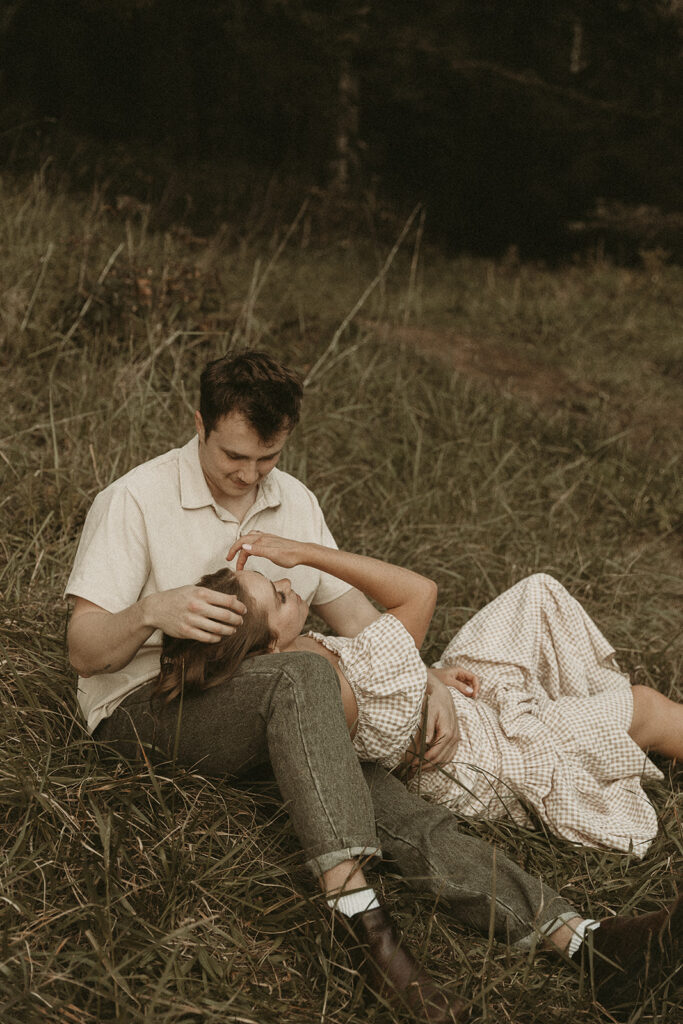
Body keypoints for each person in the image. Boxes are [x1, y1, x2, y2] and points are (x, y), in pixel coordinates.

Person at [66, 350, 680, 1020]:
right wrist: (148, 611)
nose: (247, 476)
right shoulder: (134, 498)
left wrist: (423, 680)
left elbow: (355, 615)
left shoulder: (291, 501)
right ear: (199, 424)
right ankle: (359, 922)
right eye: (233, 458)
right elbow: (84, 652)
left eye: (265, 459)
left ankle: (588, 945)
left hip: (273, 706)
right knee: (302, 676)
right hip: (152, 706)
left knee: (413, 820)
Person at [203, 533, 682, 859]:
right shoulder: (326, 690)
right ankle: (618, 729)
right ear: (268, 646)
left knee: (538, 595)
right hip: (488, 755)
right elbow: (419, 593)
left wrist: (430, 677)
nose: (287, 583)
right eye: (279, 596)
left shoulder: (300, 649)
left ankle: (598, 724)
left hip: (455, 704)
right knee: (645, 707)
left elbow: (395, 661)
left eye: (278, 579)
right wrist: (306, 552)